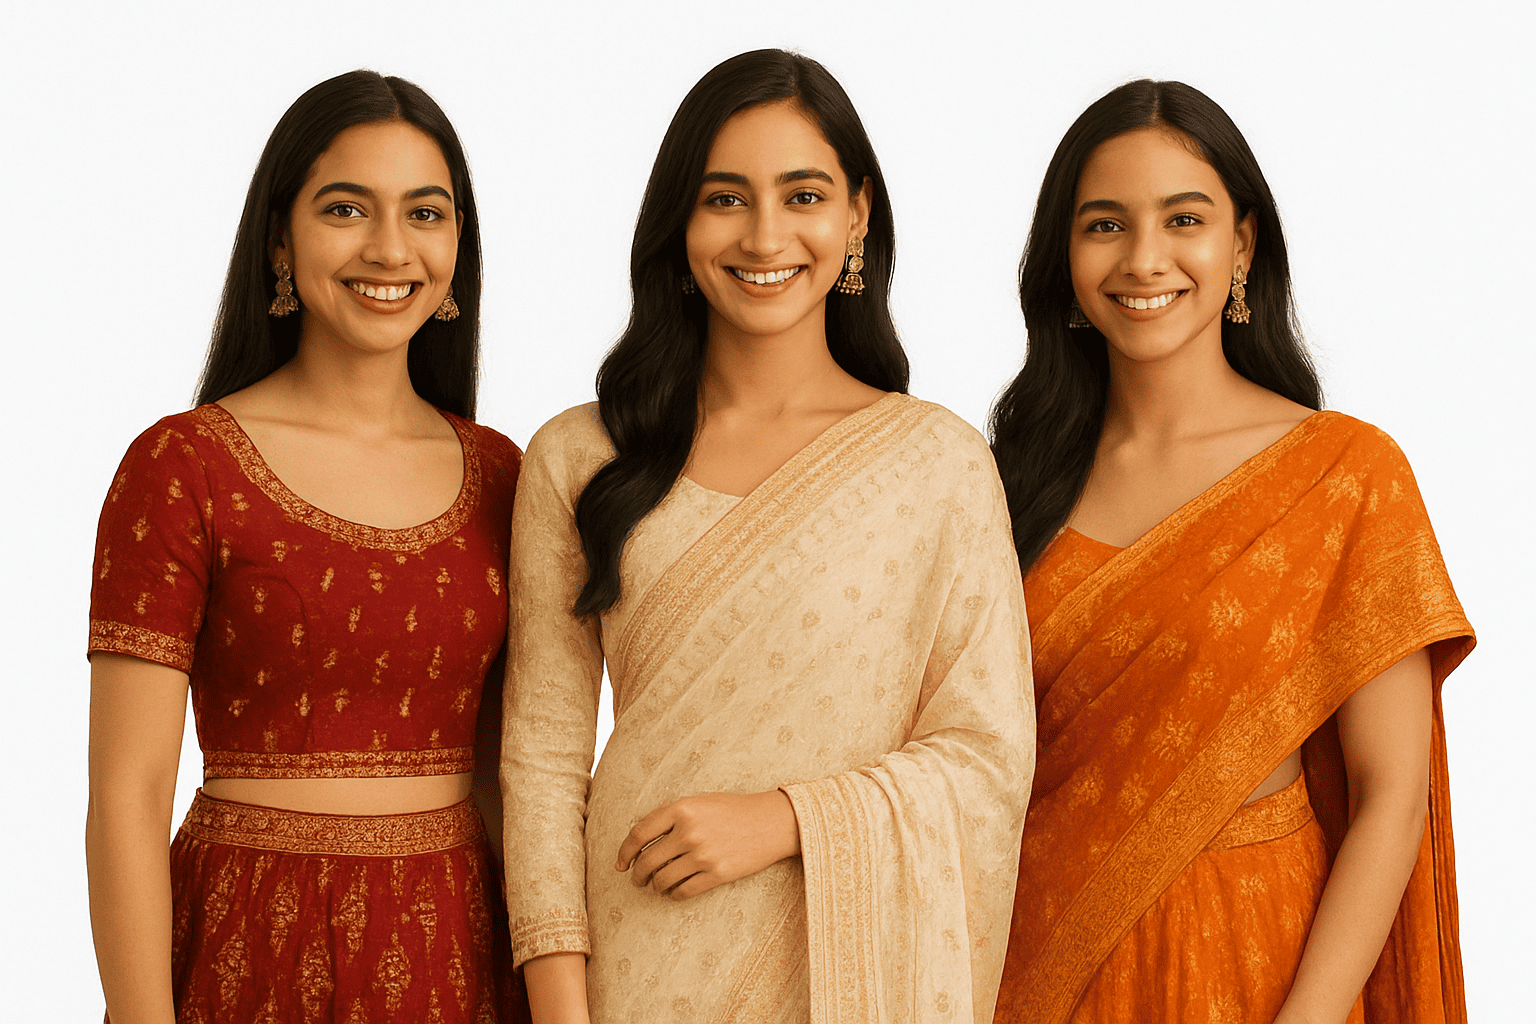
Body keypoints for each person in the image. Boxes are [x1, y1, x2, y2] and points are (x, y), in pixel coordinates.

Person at [500, 49, 1032, 1024]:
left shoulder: (937, 463)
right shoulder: (581, 456)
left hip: (842, 976)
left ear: (857, 216)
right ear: (681, 222)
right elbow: (541, 760)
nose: (765, 234)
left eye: (803, 195)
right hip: (632, 969)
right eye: (726, 198)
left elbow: (988, 753)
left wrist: (786, 819)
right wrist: (560, 1007)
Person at [988, 80, 1474, 1024]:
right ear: (1066, 258)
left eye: (1184, 219)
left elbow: (1389, 798)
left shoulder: (1343, 477)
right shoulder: (1000, 486)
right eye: (1104, 225)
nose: (1144, 258)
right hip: (1029, 963)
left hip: (1251, 963)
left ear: (1240, 245)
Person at [85, 70, 527, 1023]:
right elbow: (127, 793)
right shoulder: (182, 466)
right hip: (249, 949)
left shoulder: (504, 476)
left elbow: (507, 779)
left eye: (426, 213)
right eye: (345, 209)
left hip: (456, 953)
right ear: (279, 238)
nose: (390, 248)